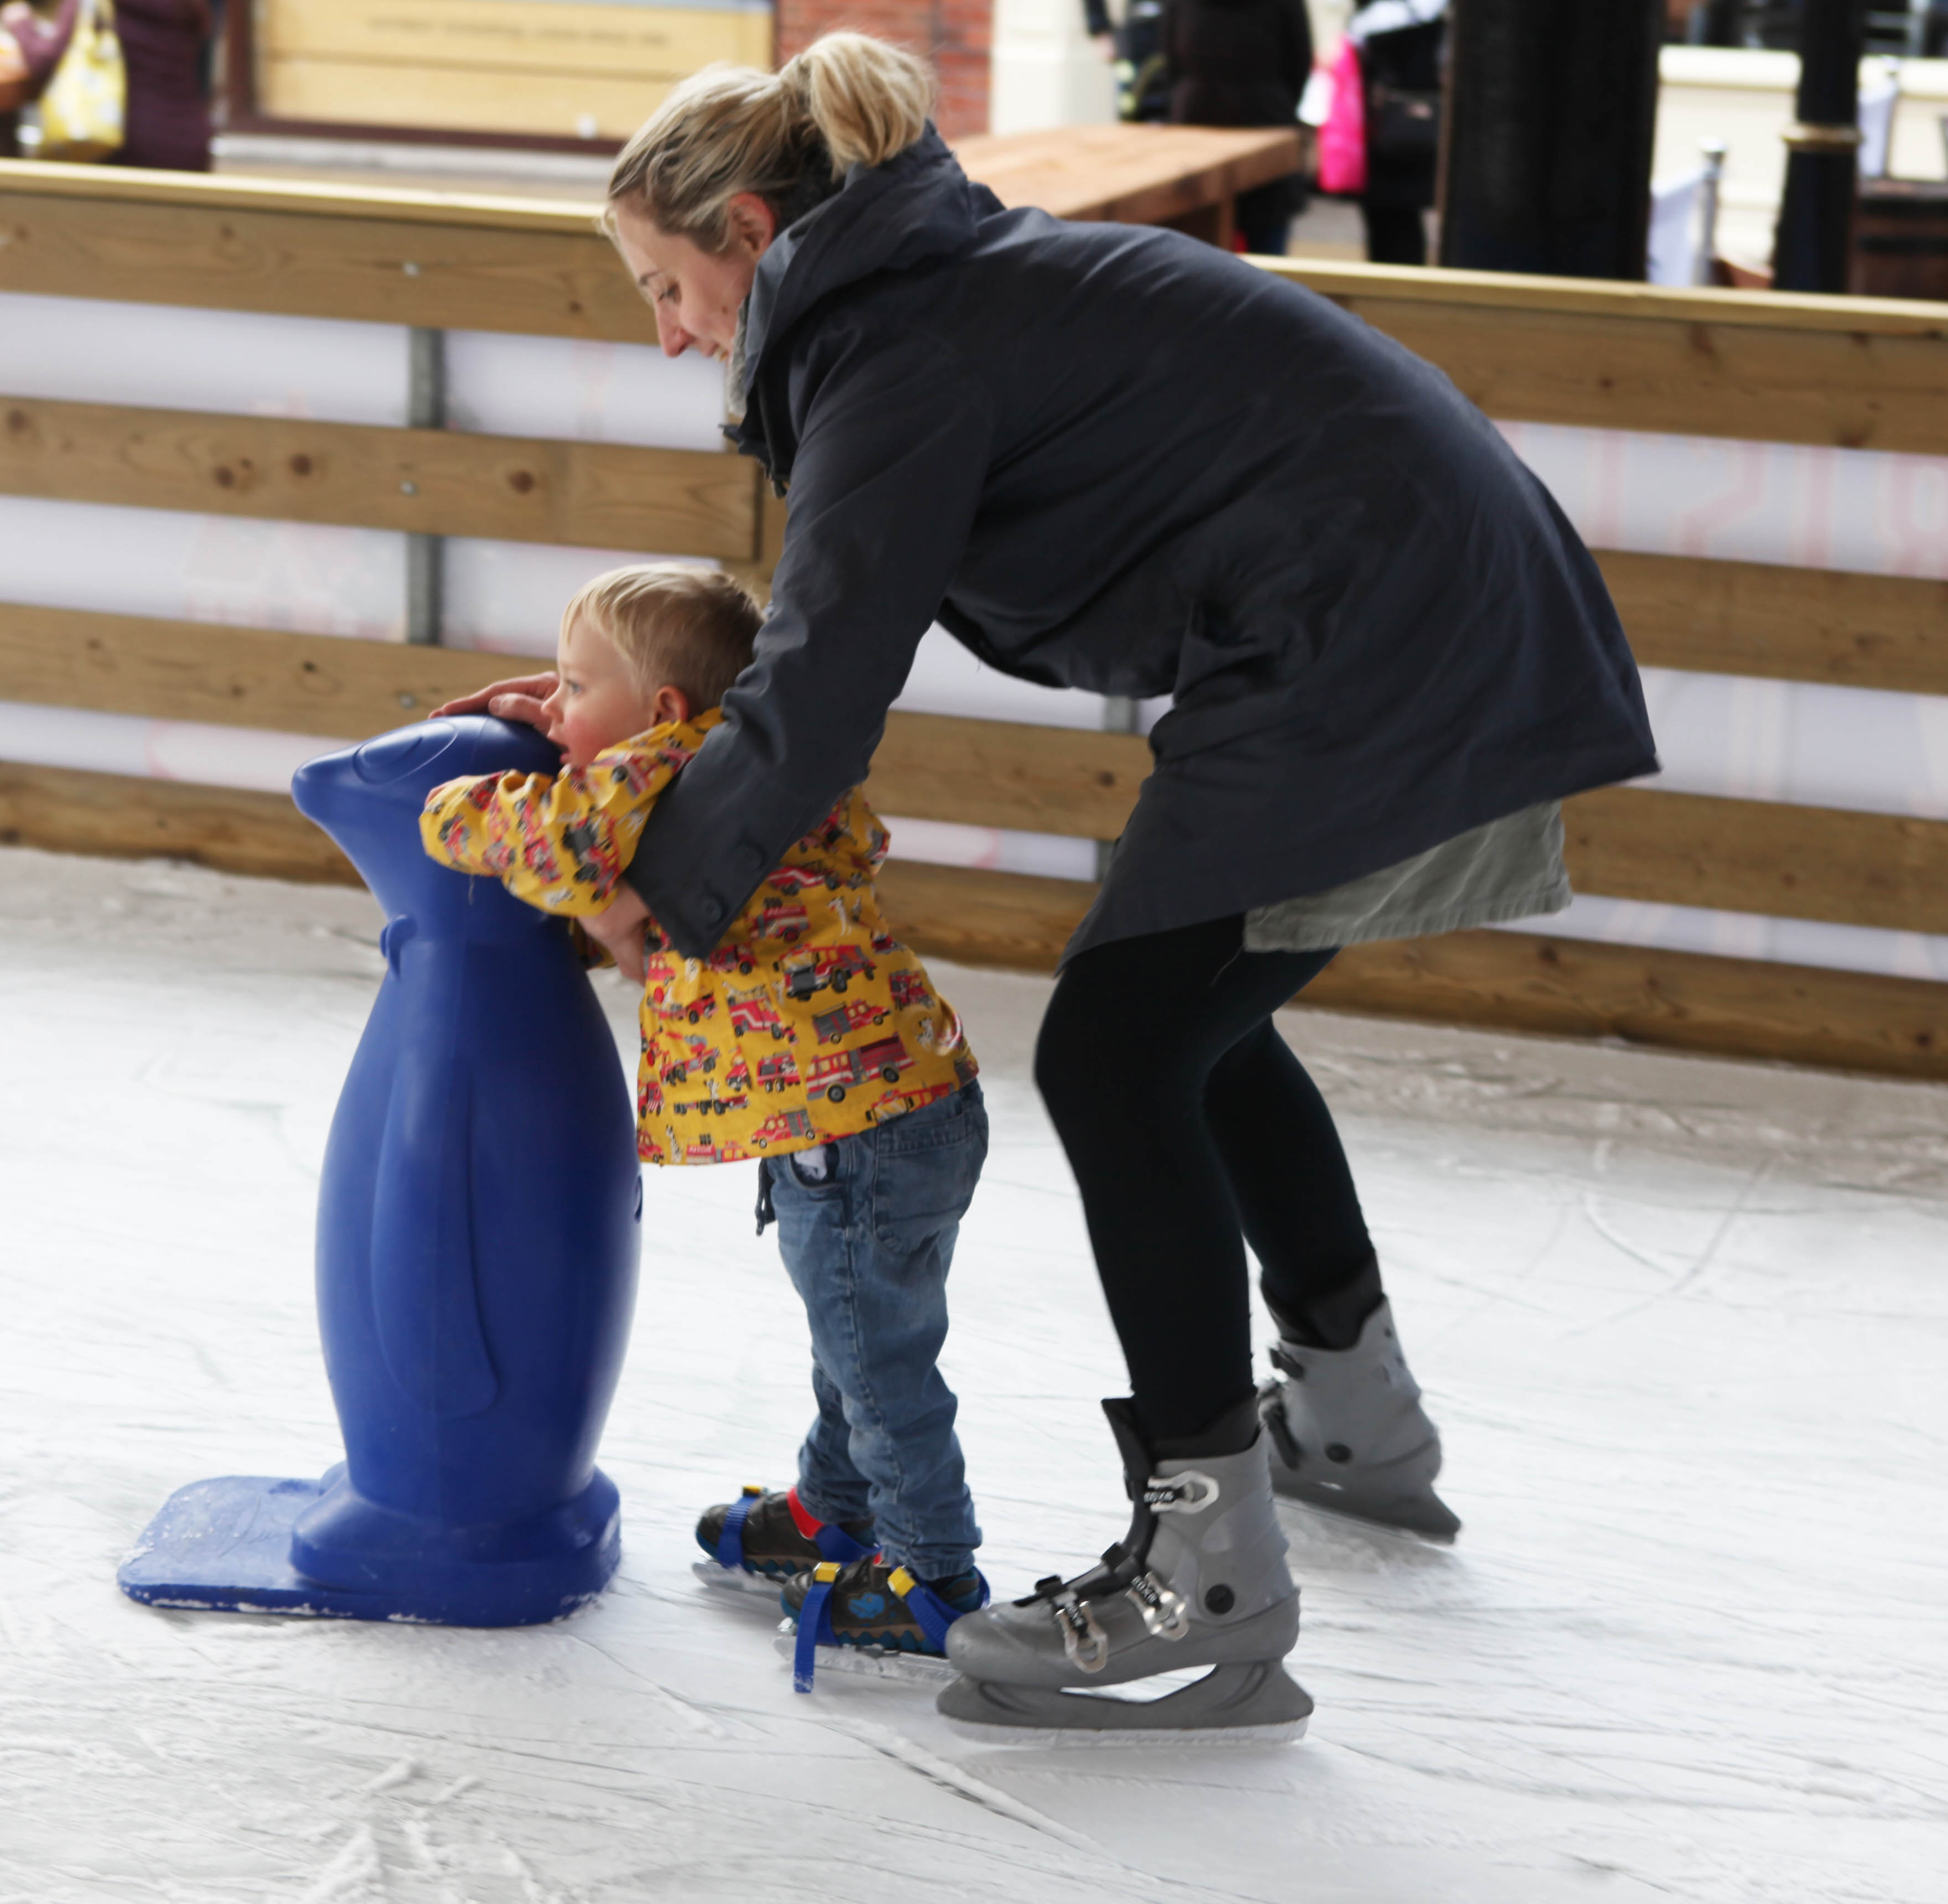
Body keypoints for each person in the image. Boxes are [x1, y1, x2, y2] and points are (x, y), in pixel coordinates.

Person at [442, 31, 1655, 1737]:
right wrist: (624, 742)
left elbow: (822, 672)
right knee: (1191, 1025)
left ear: (751, 225)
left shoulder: (894, 342)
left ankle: (1204, 1576)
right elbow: (812, 656)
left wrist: (652, 883)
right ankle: (1354, 1422)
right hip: (1397, 606)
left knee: (1115, 1049)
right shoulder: (936, 291)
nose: (667, 332)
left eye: (666, 284)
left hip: (1374, 631)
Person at [420, 563, 991, 1674]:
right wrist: (577, 720)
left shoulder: (664, 764)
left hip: (853, 1129)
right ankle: (834, 1510)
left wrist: (445, 795)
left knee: (879, 1366)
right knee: (860, 1344)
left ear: (666, 712)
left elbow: (555, 842)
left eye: (574, 685)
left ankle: (931, 1576)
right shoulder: (742, 769)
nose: (551, 705)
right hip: (892, 1107)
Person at [0, 0, 212, 172]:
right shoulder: (189, 6)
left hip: (121, 142)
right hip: (189, 142)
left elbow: (44, 63)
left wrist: (20, 22)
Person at [1162, 0, 1313, 253]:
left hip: (1196, 121)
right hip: (1266, 121)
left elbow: (1171, 61)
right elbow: (1299, 61)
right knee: (1267, 258)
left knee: (1196, 252)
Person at [1348, 0, 1446, 266]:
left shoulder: (1378, 19)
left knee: (1392, 224)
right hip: (1411, 125)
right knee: (1400, 222)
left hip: (1386, 128)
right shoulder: (1432, 13)